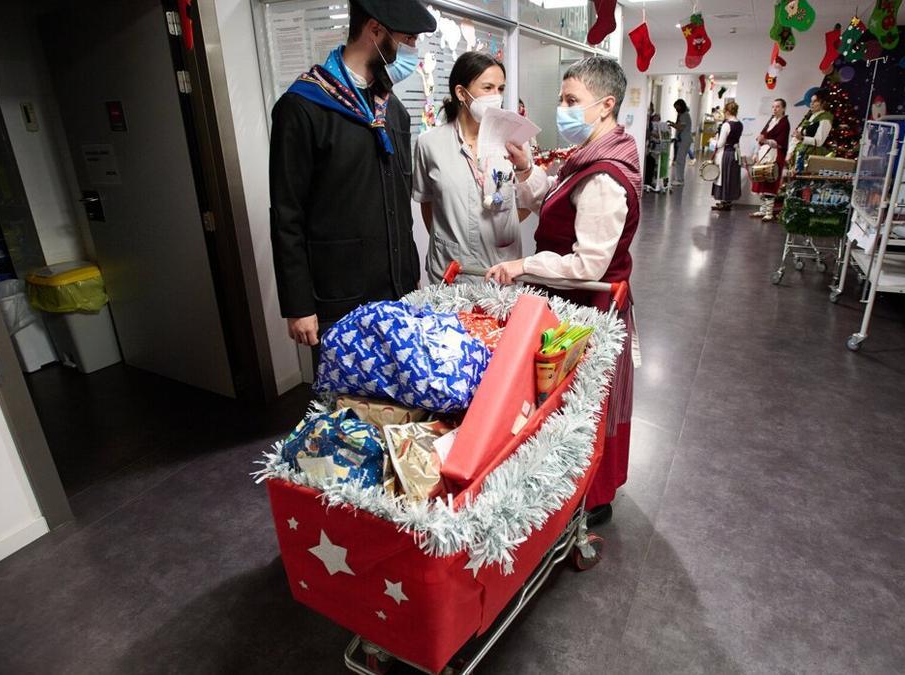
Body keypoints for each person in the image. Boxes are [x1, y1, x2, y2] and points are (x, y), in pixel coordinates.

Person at [485, 56, 640, 528]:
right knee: (570, 404)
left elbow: (587, 264)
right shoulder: (589, 157)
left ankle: (590, 498)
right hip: (572, 300)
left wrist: (523, 264)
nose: (563, 109)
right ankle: (573, 489)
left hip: (587, 306)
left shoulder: (605, 176)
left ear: (605, 104)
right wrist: (528, 166)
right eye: (561, 100)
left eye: (573, 101)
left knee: (581, 405)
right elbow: (550, 199)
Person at [270, 0, 435, 346]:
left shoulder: (393, 111)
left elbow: (400, 206)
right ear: (375, 30)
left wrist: (410, 277)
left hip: (397, 291)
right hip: (338, 298)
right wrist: (298, 306)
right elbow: (287, 214)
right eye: (408, 39)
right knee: (343, 396)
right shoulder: (303, 107)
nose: (413, 51)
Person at [412, 52, 531, 281]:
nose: (496, 96)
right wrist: (451, 240)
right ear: (461, 93)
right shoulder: (430, 144)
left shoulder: (515, 142)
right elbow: (428, 204)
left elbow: (527, 201)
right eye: (487, 88)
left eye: (501, 89)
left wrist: (501, 225)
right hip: (451, 272)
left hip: (501, 272)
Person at [750, 98, 790, 221]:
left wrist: (765, 141)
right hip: (765, 154)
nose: (774, 109)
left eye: (777, 107)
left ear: (783, 108)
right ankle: (763, 210)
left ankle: (769, 212)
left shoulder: (784, 123)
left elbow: (781, 142)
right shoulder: (771, 121)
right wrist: (758, 149)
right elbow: (762, 136)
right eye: (773, 107)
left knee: (770, 181)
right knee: (762, 180)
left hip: (775, 155)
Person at [789, 88, 834, 172]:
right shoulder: (809, 116)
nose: (811, 104)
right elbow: (796, 136)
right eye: (811, 101)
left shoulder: (825, 119)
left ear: (823, 103)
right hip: (799, 155)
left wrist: (802, 138)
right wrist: (790, 151)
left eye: (815, 101)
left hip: (811, 158)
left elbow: (819, 141)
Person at [710, 100, 743, 210]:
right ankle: (728, 201)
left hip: (726, 153)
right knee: (732, 176)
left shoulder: (726, 125)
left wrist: (713, 141)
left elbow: (720, 143)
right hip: (735, 153)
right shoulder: (740, 124)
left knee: (723, 176)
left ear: (727, 112)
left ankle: (724, 200)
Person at [667, 99, 692, 186]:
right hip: (683, 139)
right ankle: (680, 178)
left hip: (684, 140)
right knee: (680, 159)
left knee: (680, 160)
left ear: (680, 106)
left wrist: (672, 124)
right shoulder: (683, 115)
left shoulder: (684, 115)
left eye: (677, 107)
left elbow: (681, 128)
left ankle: (679, 179)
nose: (676, 109)